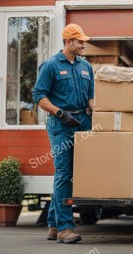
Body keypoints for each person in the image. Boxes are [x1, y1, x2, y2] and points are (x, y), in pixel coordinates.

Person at [32, 23, 94, 244]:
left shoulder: (86, 66)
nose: (83, 45)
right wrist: (60, 113)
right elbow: (38, 96)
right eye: (79, 42)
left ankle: (52, 224)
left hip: (83, 122)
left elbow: (91, 99)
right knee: (64, 173)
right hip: (61, 125)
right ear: (68, 42)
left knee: (71, 174)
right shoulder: (50, 66)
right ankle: (65, 229)